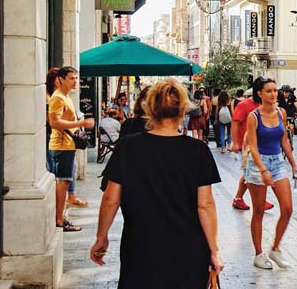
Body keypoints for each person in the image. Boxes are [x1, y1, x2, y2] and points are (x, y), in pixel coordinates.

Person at [89, 79, 223, 287]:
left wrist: (101, 237)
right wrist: (214, 250)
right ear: (183, 111)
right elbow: (205, 205)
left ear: (149, 109)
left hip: (141, 247)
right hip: (188, 249)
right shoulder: (198, 151)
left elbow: (110, 199)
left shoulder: (127, 147)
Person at [245, 77, 297, 270]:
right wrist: (262, 170)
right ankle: (258, 254)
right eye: (268, 91)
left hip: (277, 162)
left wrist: (294, 165)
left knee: (287, 208)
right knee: (259, 211)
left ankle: (275, 248)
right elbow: (252, 146)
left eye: (275, 90)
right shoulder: (253, 116)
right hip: (257, 163)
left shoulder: (281, 112)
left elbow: (284, 140)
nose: (273, 94)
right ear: (260, 93)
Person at [47, 66, 95, 232]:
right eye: (71, 78)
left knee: (65, 181)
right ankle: (59, 220)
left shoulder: (65, 97)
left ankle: (60, 218)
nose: (75, 81)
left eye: (76, 78)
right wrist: (81, 123)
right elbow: (54, 122)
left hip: (67, 145)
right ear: (61, 79)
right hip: (61, 145)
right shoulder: (58, 98)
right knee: (63, 181)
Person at [231, 83, 274, 213]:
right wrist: (234, 142)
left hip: (261, 145)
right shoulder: (244, 105)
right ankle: (253, 199)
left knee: (251, 173)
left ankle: (240, 198)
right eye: (267, 91)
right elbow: (235, 122)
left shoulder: (265, 105)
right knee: (250, 173)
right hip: (246, 146)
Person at [215, 90, 232, 154]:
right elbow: (231, 110)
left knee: (222, 133)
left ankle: (223, 148)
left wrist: (216, 119)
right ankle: (229, 146)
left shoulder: (219, 102)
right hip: (229, 119)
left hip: (221, 119)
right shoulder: (229, 101)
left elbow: (217, 112)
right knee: (229, 132)